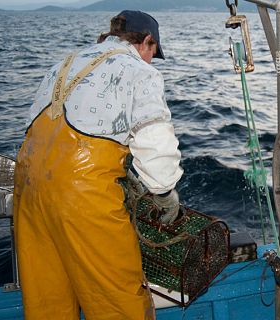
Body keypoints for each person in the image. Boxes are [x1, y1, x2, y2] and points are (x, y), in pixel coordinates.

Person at [13, 10, 182, 319]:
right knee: (117, 301)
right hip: (82, 198)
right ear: (147, 41)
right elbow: (153, 138)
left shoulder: (64, 64)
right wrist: (164, 191)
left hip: (29, 189)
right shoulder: (138, 70)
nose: (150, 61)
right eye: (153, 53)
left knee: (47, 301)